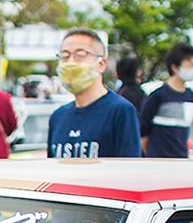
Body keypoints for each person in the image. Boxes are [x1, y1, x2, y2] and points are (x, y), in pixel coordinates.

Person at [45, 28, 140, 159]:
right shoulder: (58, 117)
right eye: (65, 56)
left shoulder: (120, 111)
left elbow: (130, 166)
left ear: (101, 64)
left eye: (80, 55)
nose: (71, 62)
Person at [136, 41, 193, 158]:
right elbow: (142, 130)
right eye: (190, 65)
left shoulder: (191, 96)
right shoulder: (158, 96)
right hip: (160, 160)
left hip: (182, 158)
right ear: (175, 67)